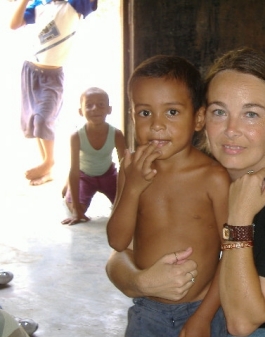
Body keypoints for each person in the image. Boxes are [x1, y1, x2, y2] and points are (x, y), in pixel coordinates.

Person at [105, 47, 265, 337]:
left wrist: (238, 219)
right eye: (220, 112)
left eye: (251, 114)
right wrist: (141, 283)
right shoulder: (173, 161)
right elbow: (118, 253)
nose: (231, 129)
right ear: (203, 117)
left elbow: (240, 324)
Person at [106, 55, 230, 336]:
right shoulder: (131, 168)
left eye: (171, 112)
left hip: (202, 309)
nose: (157, 125)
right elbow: (117, 241)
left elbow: (235, 251)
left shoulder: (213, 178)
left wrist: (204, 315)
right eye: (144, 112)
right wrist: (133, 187)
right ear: (131, 116)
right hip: (146, 311)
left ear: (198, 118)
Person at [9, 0, 98, 186]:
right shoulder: (40, 4)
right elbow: (14, 24)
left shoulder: (74, 4)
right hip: (30, 70)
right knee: (34, 120)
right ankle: (47, 169)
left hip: (53, 75)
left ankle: (49, 161)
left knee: (44, 118)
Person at [61, 87, 126, 225]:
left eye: (101, 104)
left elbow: (125, 165)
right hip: (84, 176)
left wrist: (127, 194)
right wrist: (76, 210)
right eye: (89, 105)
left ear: (109, 109)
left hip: (109, 175)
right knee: (78, 209)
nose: (95, 108)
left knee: (125, 207)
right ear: (81, 111)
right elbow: (74, 170)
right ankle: (69, 188)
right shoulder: (77, 136)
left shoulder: (117, 134)